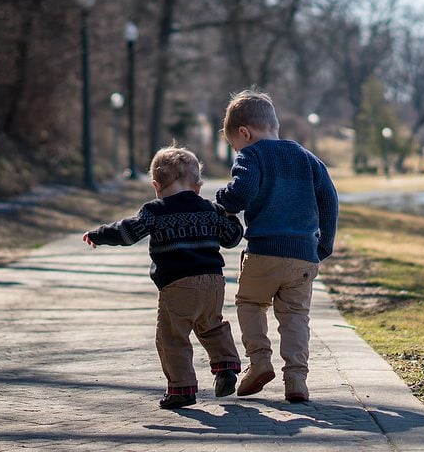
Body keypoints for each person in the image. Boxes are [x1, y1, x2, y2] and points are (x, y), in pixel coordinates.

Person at [83, 145, 243, 409]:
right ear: (197, 185)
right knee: (212, 326)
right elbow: (231, 238)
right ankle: (226, 367)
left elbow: (127, 233)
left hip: (177, 284)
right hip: (213, 283)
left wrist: (100, 234)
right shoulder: (209, 209)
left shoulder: (155, 211)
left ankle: (182, 388)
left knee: (172, 337)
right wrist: (231, 215)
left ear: (156, 185)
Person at [216, 89, 338, 403]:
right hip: (303, 256)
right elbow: (330, 200)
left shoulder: (251, 154)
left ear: (245, 133)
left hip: (264, 252)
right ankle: (296, 380)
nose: (237, 150)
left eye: (234, 145)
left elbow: (240, 193)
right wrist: (324, 244)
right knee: (296, 315)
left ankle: (259, 362)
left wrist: (222, 200)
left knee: (250, 303)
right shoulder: (307, 158)